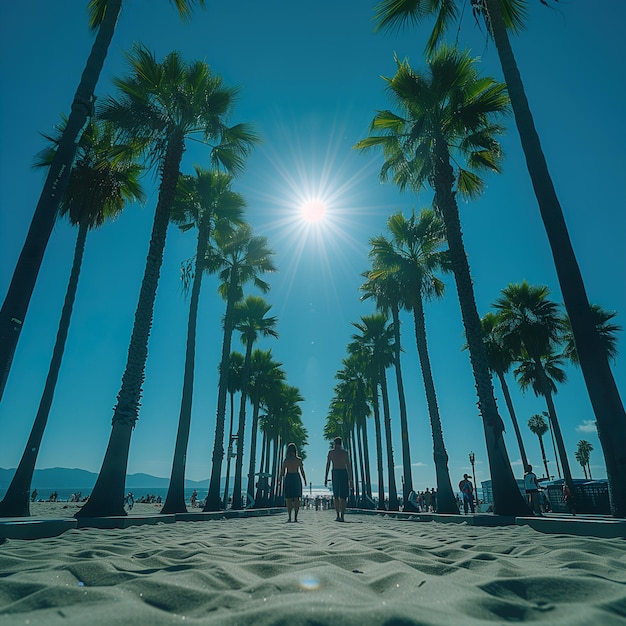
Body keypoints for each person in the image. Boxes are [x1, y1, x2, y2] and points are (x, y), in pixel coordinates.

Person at [324, 436, 352, 522]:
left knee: (341, 496)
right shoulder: (335, 453)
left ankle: (341, 515)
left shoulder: (341, 453)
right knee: (337, 496)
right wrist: (325, 477)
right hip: (338, 472)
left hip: (340, 472)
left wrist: (350, 479)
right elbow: (328, 465)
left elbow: (348, 466)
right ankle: (339, 515)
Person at [280, 442, 306, 522]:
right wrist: (305, 480)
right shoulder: (298, 460)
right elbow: (302, 471)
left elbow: (282, 472)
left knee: (289, 498)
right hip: (296, 478)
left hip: (289, 477)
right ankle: (295, 517)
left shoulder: (286, 460)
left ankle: (289, 516)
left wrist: (279, 479)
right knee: (296, 498)